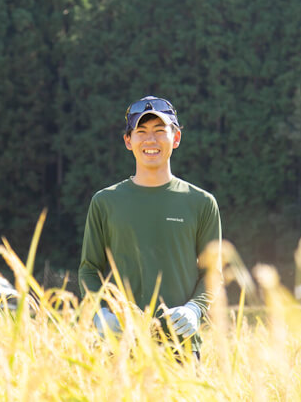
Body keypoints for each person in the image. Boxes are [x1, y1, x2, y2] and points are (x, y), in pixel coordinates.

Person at [78, 95, 222, 357]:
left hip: (182, 348)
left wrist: (195, 309)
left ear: (176, 138)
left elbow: (212, 274)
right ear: (128, 141)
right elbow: (89, 269)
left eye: (160, 130)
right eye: (141, 131)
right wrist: (101, 311)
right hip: (118, 347)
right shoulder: (105, 201)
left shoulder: (201, 203)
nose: (150, 140)